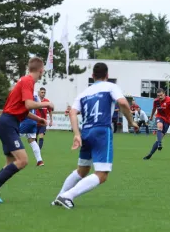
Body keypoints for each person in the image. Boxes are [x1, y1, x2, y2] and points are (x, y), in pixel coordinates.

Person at [53, 62, 138, 209]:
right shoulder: (111, 87)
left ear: (92, 76)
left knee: (82, 170)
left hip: (86, 132)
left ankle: (58, 198)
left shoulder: (83, 93)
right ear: (107, 75)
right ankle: (68, 196)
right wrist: (131, 121)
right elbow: (123, 103)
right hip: (101, 131)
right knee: (102, 174)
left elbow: (72, 113)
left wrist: (76, 134)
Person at [0, 57, 54, 203]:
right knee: (23, 160)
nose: (43, 73)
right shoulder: (28, 81)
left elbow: (23, 109)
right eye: (43, 71)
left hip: (8, 123)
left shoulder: (24, 81)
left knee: (10, 162)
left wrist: (38, 119)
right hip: (8, 124)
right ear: (41, 70)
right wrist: (47, 104)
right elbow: (28, 104)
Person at [143, 88, 170, 160]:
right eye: (158, 96)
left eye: (161, 95)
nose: (160, 97)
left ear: (164, 94)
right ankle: (159, 143)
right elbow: (154, 109)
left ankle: (150, 154)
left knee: (159, 138)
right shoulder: (156, 101)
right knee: (159, 126)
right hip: (159, 117)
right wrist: (152, 116)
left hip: (167, 121)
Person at [19, 93, 47, 166]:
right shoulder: (35, 94)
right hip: (33, 121)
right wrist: (41, 118)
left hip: (26, 120)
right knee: (32, 141)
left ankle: (16, 157)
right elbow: (40, 106)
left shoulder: (23, 92)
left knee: (13, 136)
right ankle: (40, 160)